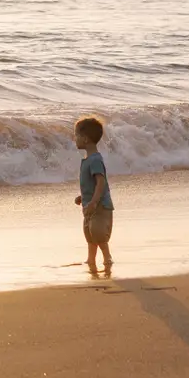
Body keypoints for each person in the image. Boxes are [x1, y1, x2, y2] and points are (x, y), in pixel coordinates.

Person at [73, 115, 114, 279]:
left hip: (100, 205)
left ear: (85, 139)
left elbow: (100, 182)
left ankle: (107, 257)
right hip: (90, 204)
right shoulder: (88, 160)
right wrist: (82, 197)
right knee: (88, 233)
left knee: (97, 232)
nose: (74, 138)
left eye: (76, 135)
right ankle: (91, 258)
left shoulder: (95, 160)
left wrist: (95, 201)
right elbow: (90, 185)